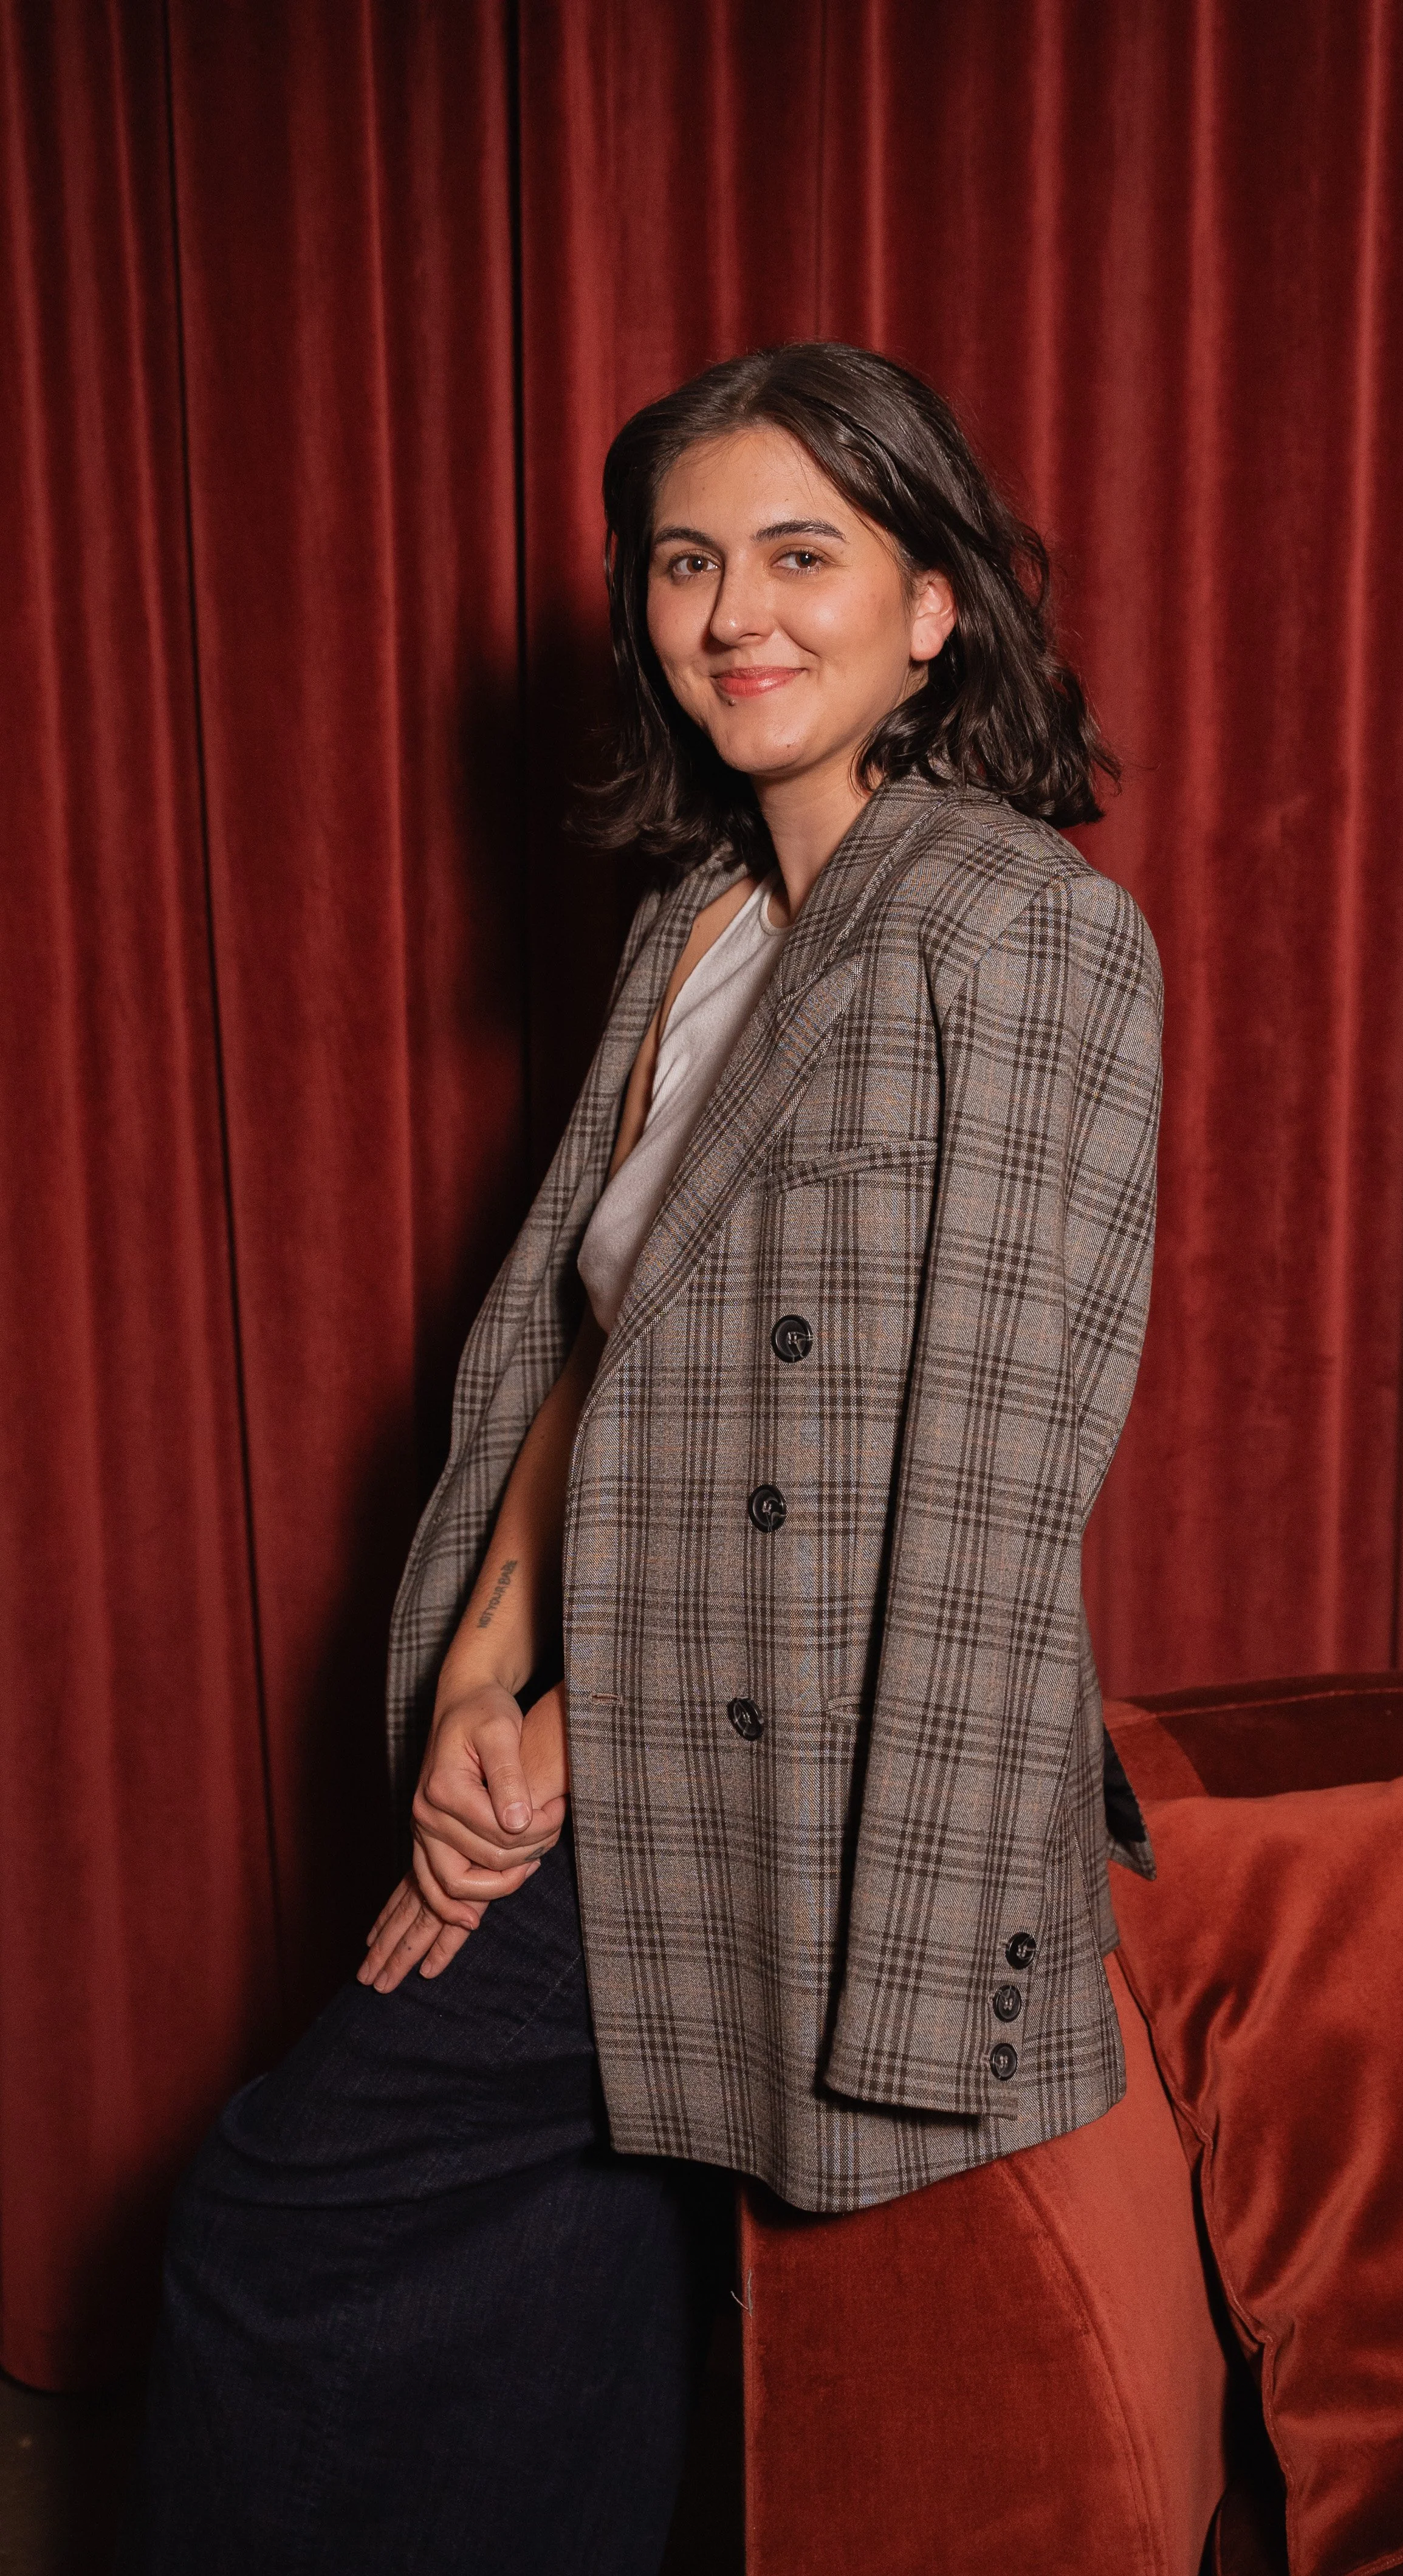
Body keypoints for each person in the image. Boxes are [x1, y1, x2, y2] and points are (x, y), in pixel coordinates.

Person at [124, 343, 1161, 2575]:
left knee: (280, 2216)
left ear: (934, 607)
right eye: (688, 561)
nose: (734, 614)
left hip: (809, 1773)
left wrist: (593, 1751)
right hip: (600, 1725)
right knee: (544, 2291)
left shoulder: (1016, 927)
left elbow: (982, 1466)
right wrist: (490, 1676)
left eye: (804, 554)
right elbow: (587, 1358)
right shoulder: (684, 927)